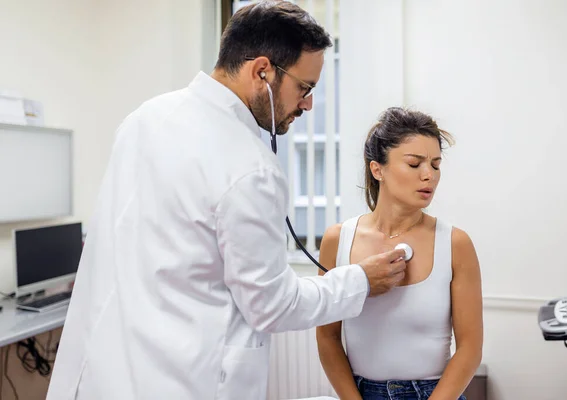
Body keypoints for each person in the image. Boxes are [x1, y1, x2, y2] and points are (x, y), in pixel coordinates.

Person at [46, 2, 408, 400]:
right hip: (186, 381)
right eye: (305, 88)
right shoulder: (250, 168)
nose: (307, 105)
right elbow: (272, 306)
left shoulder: (144, 119)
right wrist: (360, 280)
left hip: (107, 376)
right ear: (261, 71)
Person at [316, 107, 483, 400]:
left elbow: (470, 347)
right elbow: (327, 337)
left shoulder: (455, 244)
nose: (428, 175)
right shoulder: (337, 240)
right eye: (414, 163)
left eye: (435, 164)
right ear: (377, 169)